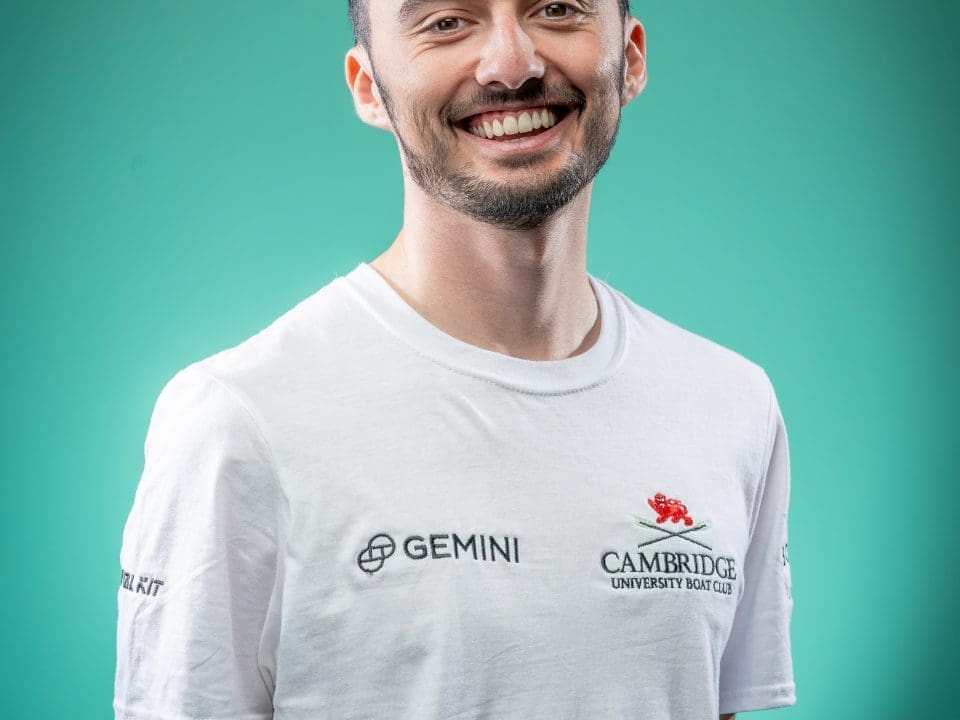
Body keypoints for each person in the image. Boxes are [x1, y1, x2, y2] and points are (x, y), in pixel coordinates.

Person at [113, 1, 796, 718]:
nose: (511, 65)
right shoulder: (237, 422)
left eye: (557, 8)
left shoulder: (731, 405)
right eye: (446, 21)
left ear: (629, 57)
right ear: (369, 87)